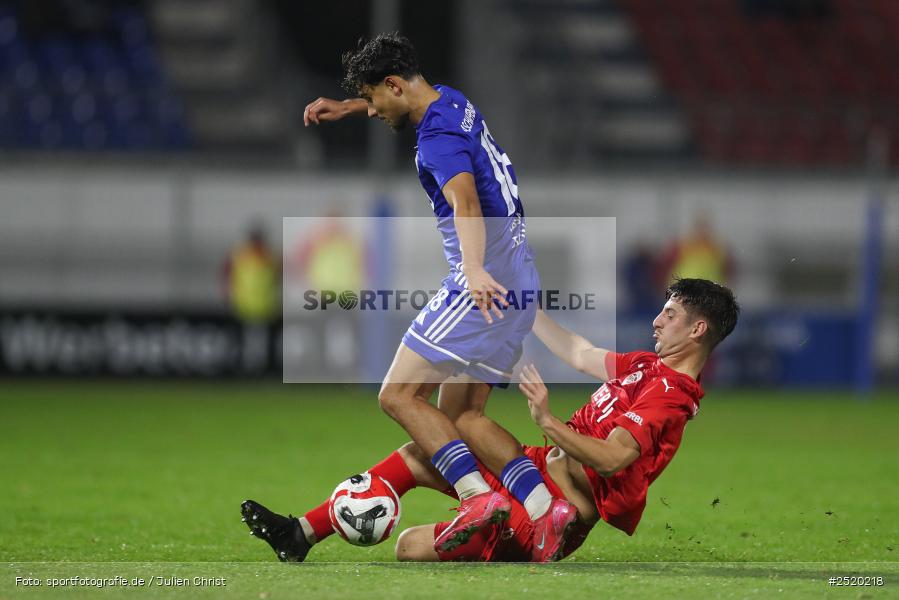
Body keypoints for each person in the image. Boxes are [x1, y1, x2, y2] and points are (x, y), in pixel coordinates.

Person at [244, 32, 575, 562]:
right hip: (520, 279)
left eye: (375, 97)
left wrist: (470, 271)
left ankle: (479, 499)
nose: (374, 110)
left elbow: (465, 202)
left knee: (397, 396)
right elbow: (406, 106)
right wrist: (351, 105)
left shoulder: (437, 141)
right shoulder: (453, 101)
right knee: (463, 417)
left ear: (395, 85)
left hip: (482, 283)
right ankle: (545, 511)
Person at [242, 278, 740, 562]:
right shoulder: (645, 367)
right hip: (537, 474)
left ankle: (510, 513)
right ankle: (299, 534)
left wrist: (548, 421)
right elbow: (580, 351)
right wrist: (530, 311)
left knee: (407, 548)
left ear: (697, 329)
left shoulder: (670, 396)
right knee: (425, 449)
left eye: (670, 314)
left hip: (556, 515)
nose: (657, 319)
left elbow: (612, 459)